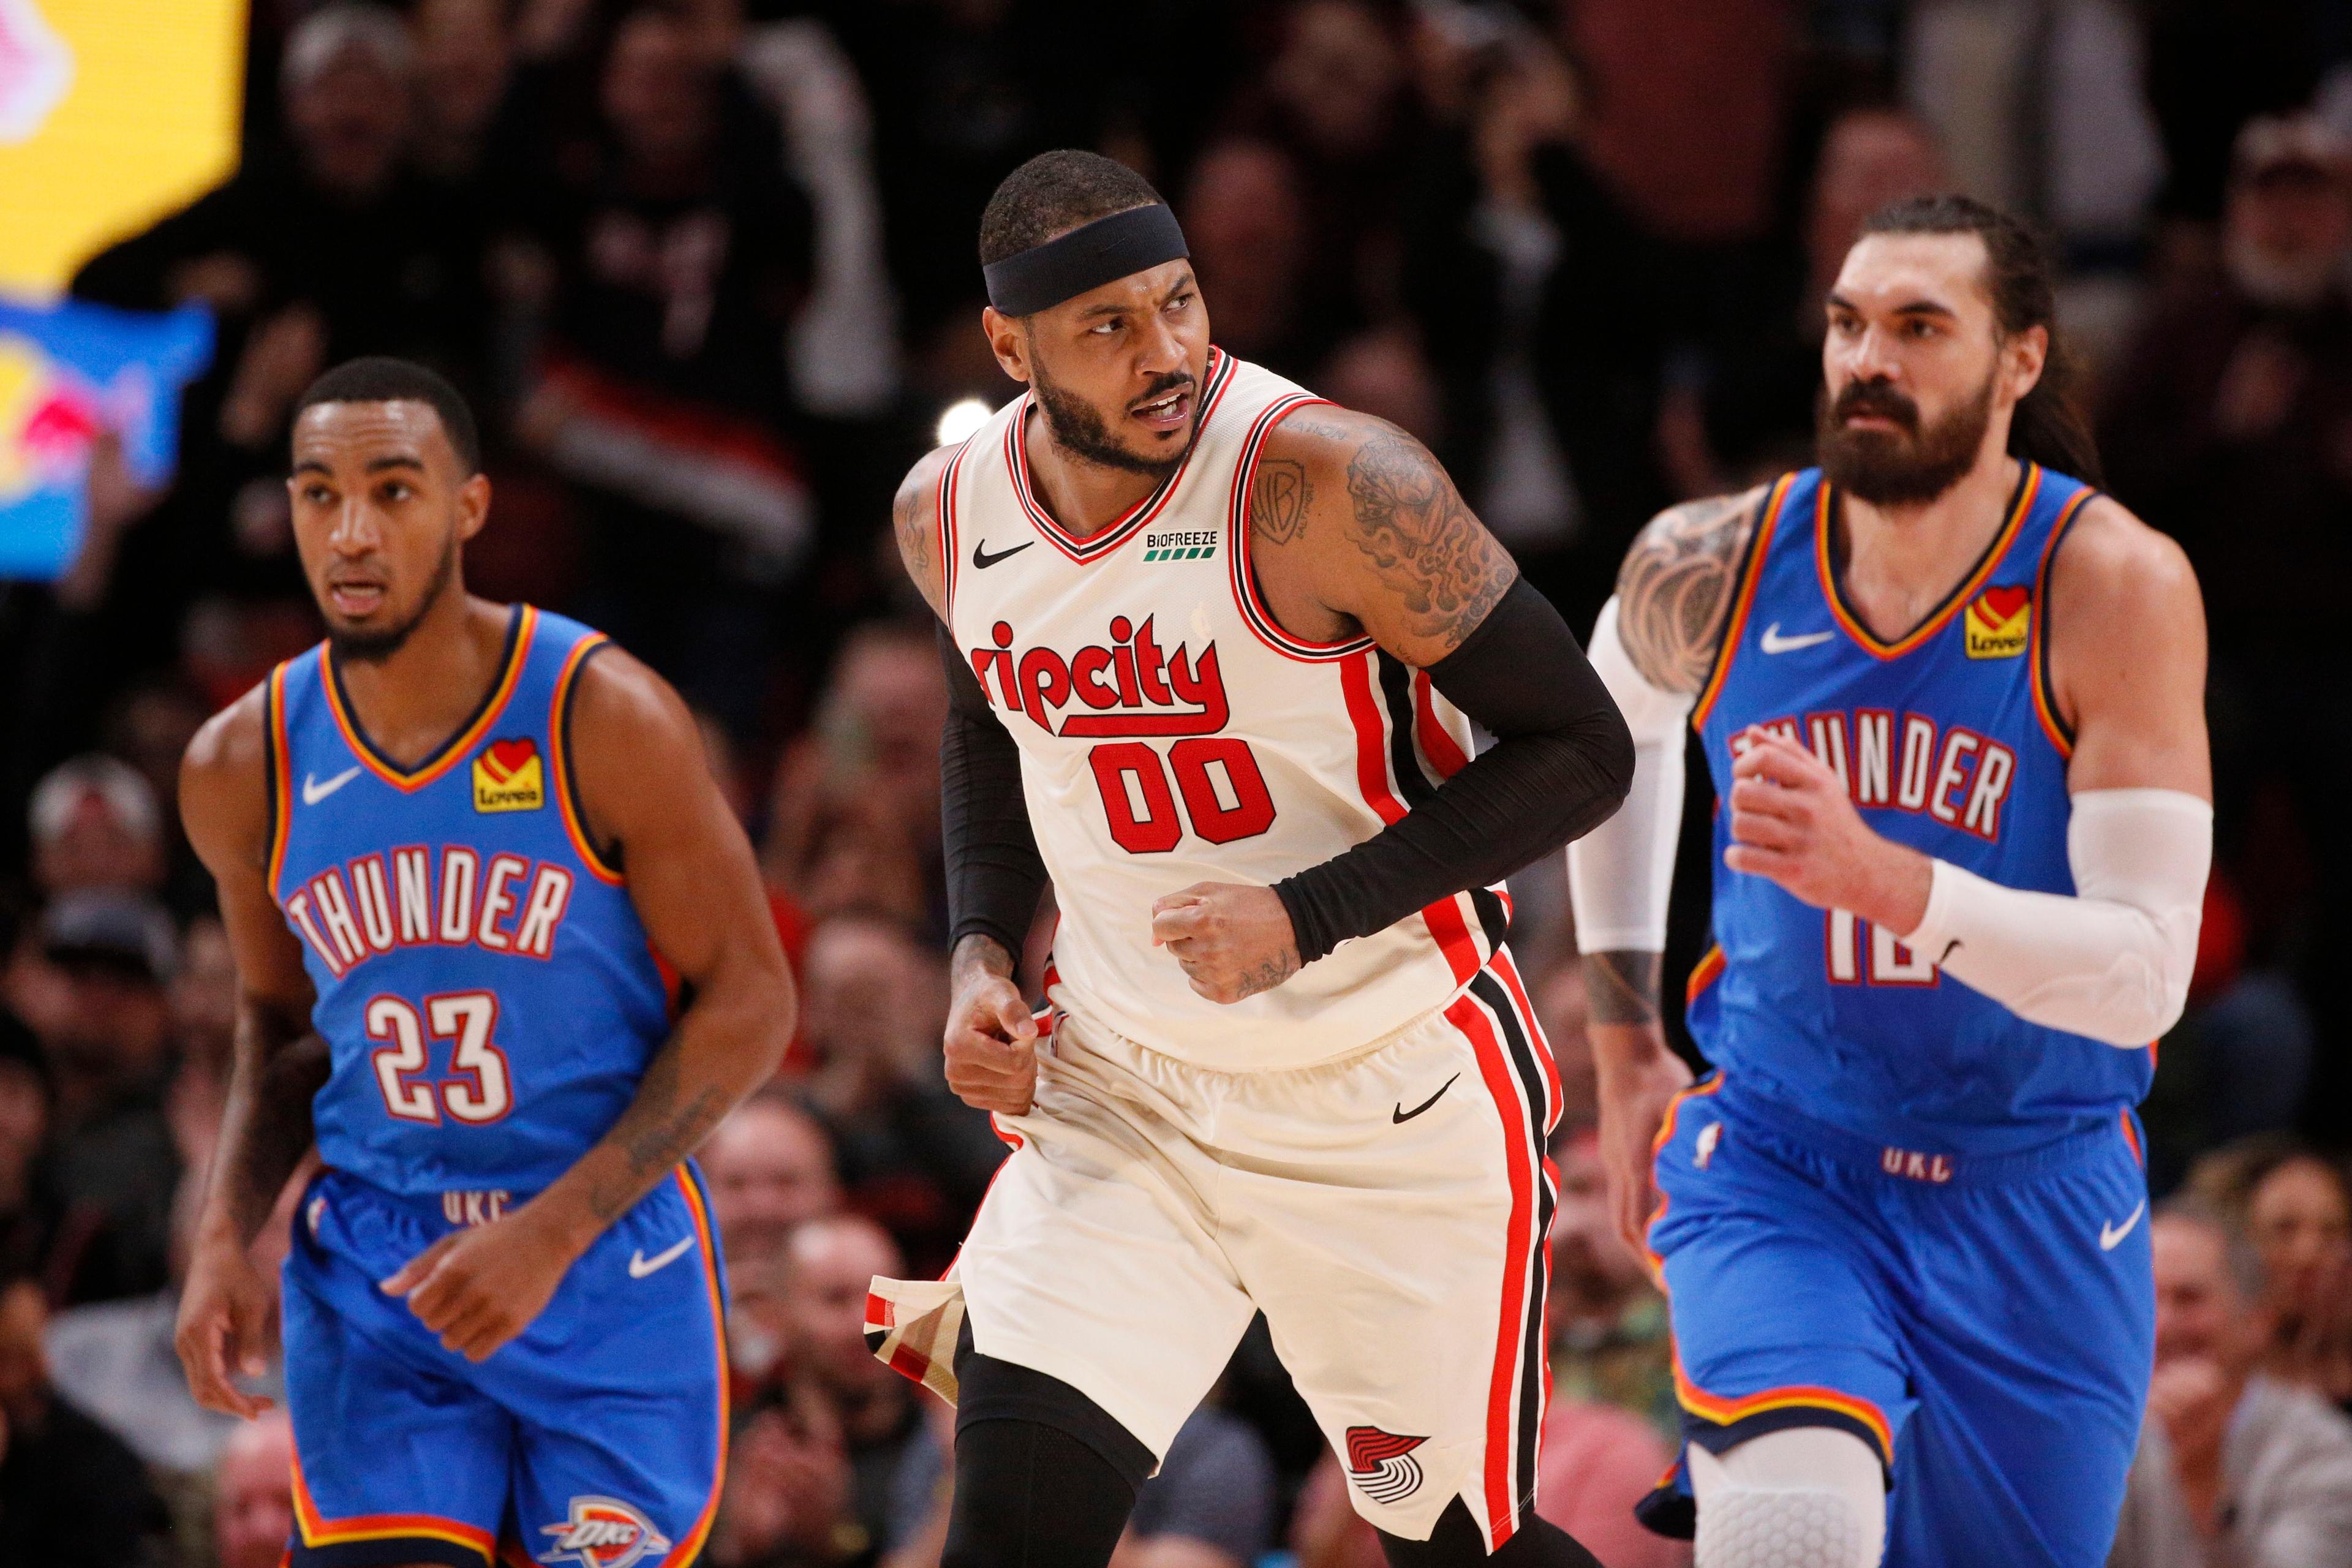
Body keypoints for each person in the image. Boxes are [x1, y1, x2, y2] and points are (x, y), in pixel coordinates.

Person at [865, 150, 1633, 1568]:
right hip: (1124, 1097)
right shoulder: (948, 510)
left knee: (1453, 1547)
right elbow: (988, 708)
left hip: (1385, 1091)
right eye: (1108, 326)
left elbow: (1583, 748)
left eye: (1177, 302)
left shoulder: (1333, 480)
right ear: (1008, 348)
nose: (1164, 353)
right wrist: (978, 948)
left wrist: (1306, 912)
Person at [1568, 194, 2212, 1567]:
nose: (1871, 357)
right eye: (1851, 324)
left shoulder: (2113, 586)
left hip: (2035, 1187)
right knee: (1794, 1525)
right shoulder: (1718, 558)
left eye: (1922, 326)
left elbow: (2146, 974)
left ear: (2020, 358)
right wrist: (1627, 1045)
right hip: (1787, 1157)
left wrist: (1887, 880)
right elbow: (1605, 729)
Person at [172, 356, 796, 1566]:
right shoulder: (240, 761)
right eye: (319, 495)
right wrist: (224, 1235)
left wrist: (550, 1233)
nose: (351, 533)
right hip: (379, 1272)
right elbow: (282, 1025)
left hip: (601, 1258)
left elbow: (755, 1000)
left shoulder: (598, 713)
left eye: (393, 491)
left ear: (469, 507)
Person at [2107, 1201, 2352, 1566]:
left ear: (2257, 1318)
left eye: (2189, 1299)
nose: (2161, 1327)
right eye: (2146, 1300)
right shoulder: (2108, 1435)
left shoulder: (2323, 1452)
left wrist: (2204, 1484)